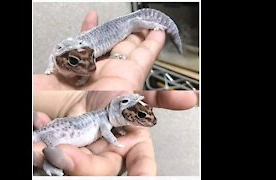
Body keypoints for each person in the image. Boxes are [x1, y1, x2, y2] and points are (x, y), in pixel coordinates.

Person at [33, 90, 198, 175]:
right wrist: (115, 142)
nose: (149, 121)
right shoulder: (105, 121)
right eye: (140, 116)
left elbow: (113, 124)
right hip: (51, 134)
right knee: (49, 150)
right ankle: (49, 164)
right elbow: (107, 133)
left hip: (56, 127)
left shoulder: (109, 117)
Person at [33, 11, 168, 90]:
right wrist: (50, 67)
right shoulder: (64, 53)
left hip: (123, 24)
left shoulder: (84, 50)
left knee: (135, 23)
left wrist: (154, 25)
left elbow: (89, 67)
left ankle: (154, 23)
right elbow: (54, 53)